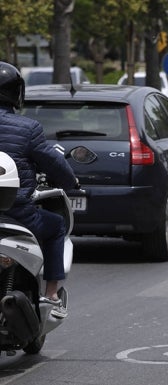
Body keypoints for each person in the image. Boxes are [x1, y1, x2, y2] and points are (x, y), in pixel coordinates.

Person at [0, 62, 78, 319]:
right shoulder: (27, 128)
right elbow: (53, 162)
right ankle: (52, 294)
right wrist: (71, 183)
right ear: (16, 93)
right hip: (18, 215)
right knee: (56, 226)